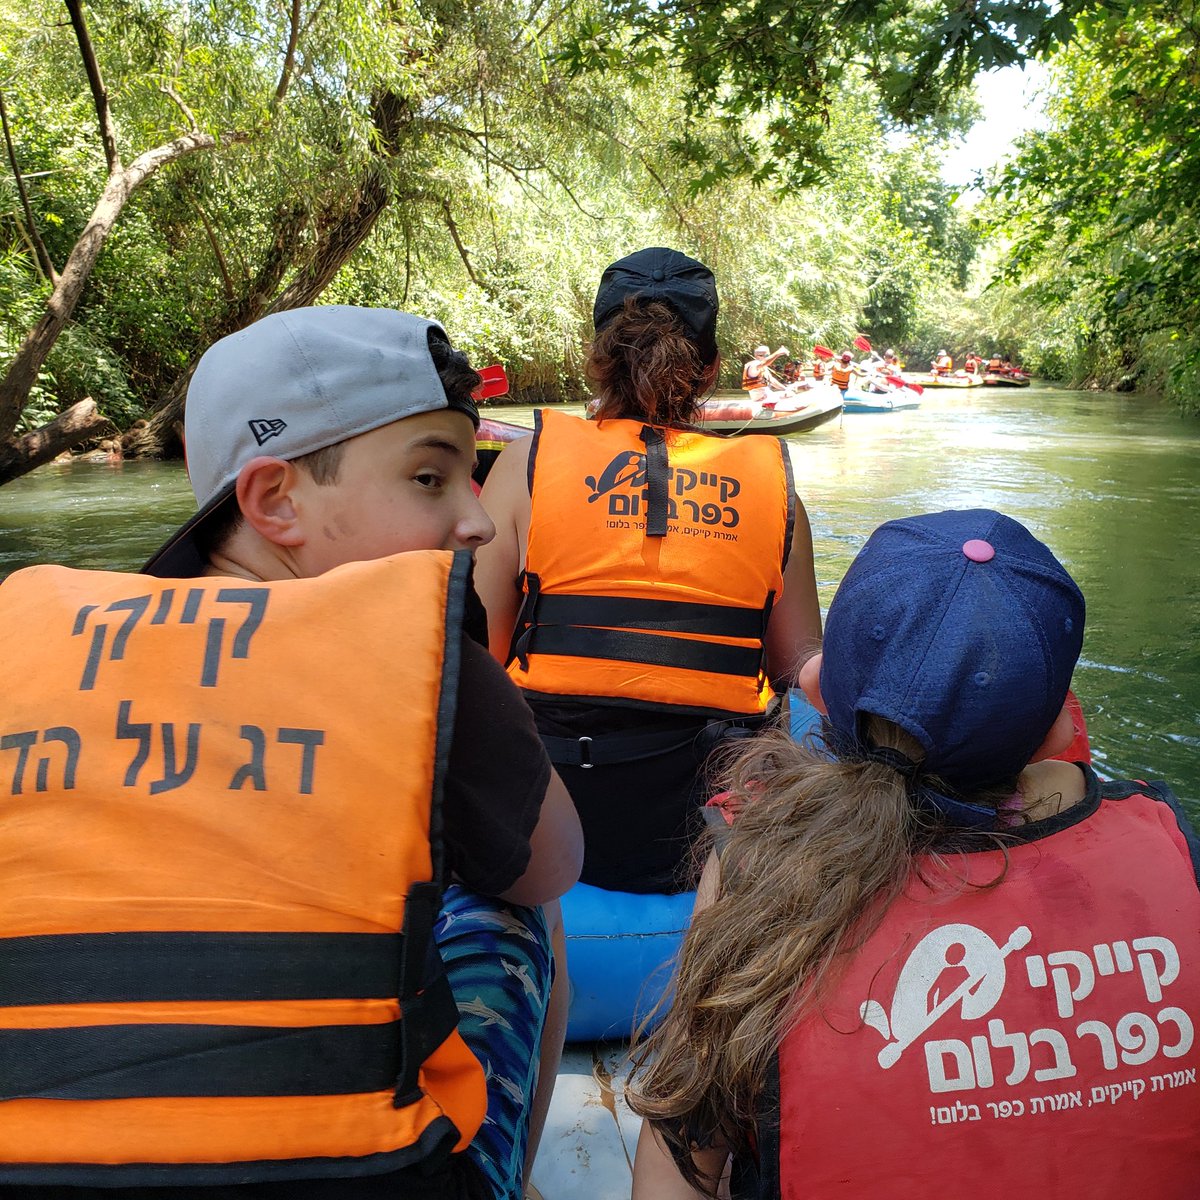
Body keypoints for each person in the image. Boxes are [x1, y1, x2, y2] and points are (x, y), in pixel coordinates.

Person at [0, 306, 584, 1200]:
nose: (479, 522)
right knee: (517, 905)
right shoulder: (418, 652)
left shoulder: (28, 642)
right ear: (274, 500)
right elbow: (553, 867)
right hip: (369, 1175)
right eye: (432, 478)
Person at [629, 508, 1200, 1198]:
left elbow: (680, 1155)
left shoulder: (757, 863)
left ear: (820, 692)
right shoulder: (1173, 846)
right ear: (1057, 732)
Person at [475, 247, 822, 895]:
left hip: (554, 819)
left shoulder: (525, 464)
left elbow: (482, 656)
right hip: (706, 828)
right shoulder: (776, 490)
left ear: (596, 358)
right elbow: (797, 667)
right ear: (711, 368)